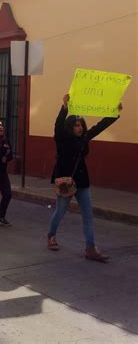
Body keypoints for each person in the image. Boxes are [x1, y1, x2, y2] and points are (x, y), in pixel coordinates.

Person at [48, 94, 122, 262]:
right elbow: (58, 125)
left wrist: (114, 113)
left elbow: (100, 126)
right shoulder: (61, 139)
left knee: (88, 215)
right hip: (65, 182)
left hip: (82, 181)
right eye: (76, 125)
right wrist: (64, 107)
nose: (79, 128)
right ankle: (51, 235)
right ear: (69, 127)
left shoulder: (84, 138)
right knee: (60, 212)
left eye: (81, 125)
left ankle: (90, 248)